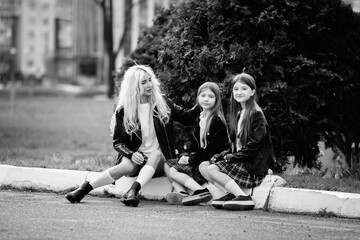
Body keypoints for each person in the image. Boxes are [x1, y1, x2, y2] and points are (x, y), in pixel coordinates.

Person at [65, 65, 198, 207]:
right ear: (134, 87)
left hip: (160, 160)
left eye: (149, 80)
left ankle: (133, 191)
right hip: (138, 157)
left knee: (156, 154)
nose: (149, 85)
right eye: (144, 82)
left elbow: (187, 117)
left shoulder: (162, 103)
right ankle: (83, 190)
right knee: (125, 167)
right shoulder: (124, 111)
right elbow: (118, 141)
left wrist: (202, 102)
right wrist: (131, 153)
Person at [203, 72, 275, 211]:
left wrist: (235, 157)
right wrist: (223, 155)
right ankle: (232, 194)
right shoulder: (238, 114)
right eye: (236, 89)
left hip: (253, 165)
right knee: (207, 168)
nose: (239, 92)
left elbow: (255, 143)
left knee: (212, 169)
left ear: (252, 92)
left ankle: (244, 198)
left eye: (244, 88)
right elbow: (236, 145)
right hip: (243, 160)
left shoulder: (256, 114)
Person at [166, 82, 230, 206]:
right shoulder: (201, 117)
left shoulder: (217, 120)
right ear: (198, 98)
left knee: (174, 170)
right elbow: (196, 145)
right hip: (199, 159)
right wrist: (186, 156)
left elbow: (211, 150)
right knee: (169, 166)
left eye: (211, 97)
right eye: (203, 96)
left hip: (211, 161)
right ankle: (190, 192)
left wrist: (191, 159)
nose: (206, 99)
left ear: (217, 100)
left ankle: (201, 191)